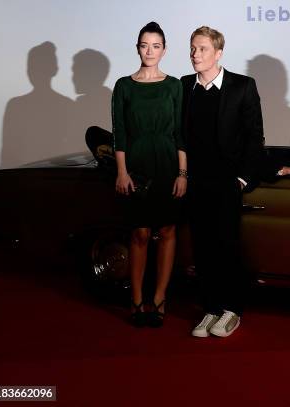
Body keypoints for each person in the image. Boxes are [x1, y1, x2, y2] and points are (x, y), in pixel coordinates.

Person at [181, 26, 264, 338]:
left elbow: (255, 137)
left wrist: (242, 179)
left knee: (227, 247)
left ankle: (232, 310)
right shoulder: (185, 86)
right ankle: (211, 307)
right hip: (196, 182)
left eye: (202, 49)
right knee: (202, 249)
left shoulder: (242, 86)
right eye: (192, 49)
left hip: (228, 182)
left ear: (218, 53)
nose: (195, 55)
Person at [112, 22, 187, 328]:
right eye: (145, 45)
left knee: (168, 231)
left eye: (156, 46)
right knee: (140, 233)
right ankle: (136, 299)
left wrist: (183, 173)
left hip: (168, 164)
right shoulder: (123, 85)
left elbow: (181, 132)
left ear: (164, 50)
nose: (150, 51)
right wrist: (121, 172)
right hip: (137, 166)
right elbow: (120, 133)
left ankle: (159, 298)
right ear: (137, 47)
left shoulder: (174, 85)